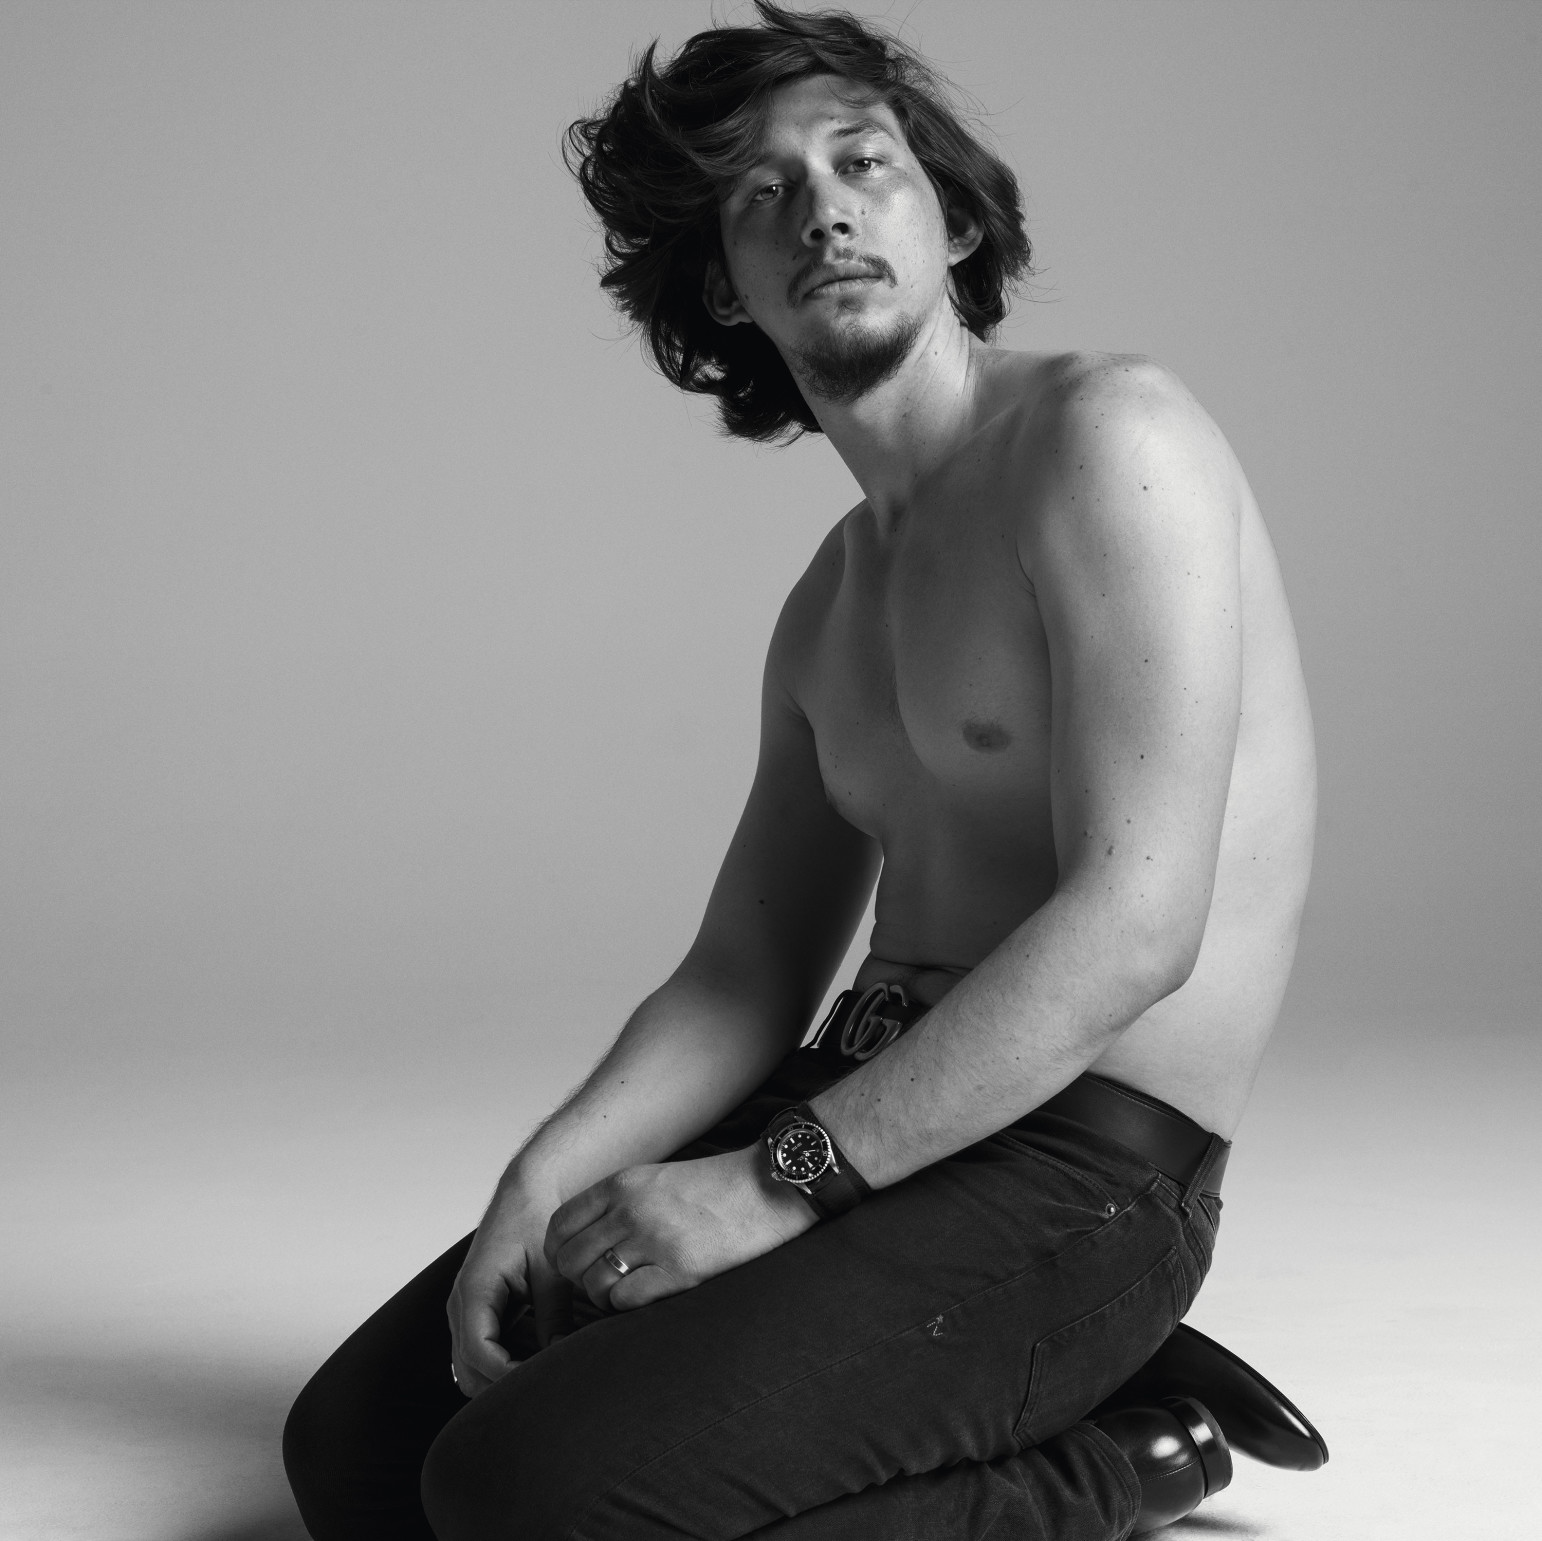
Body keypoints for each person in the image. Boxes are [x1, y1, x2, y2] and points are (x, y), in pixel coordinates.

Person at [283, 5, 1326, 1538]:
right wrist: (538, 1183)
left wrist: (766, 1188)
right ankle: (938, 1374)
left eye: (861, 163)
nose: (822, 210)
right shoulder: (829, 603)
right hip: (854, 1108)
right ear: (725, 282)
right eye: (764, 194)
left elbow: (1135, 925)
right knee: (362, 1459)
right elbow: (744, 974)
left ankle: (1119, 1452)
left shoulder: (1110, 439)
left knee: (522, 1498)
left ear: (950, 219)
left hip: (1076, 1166)